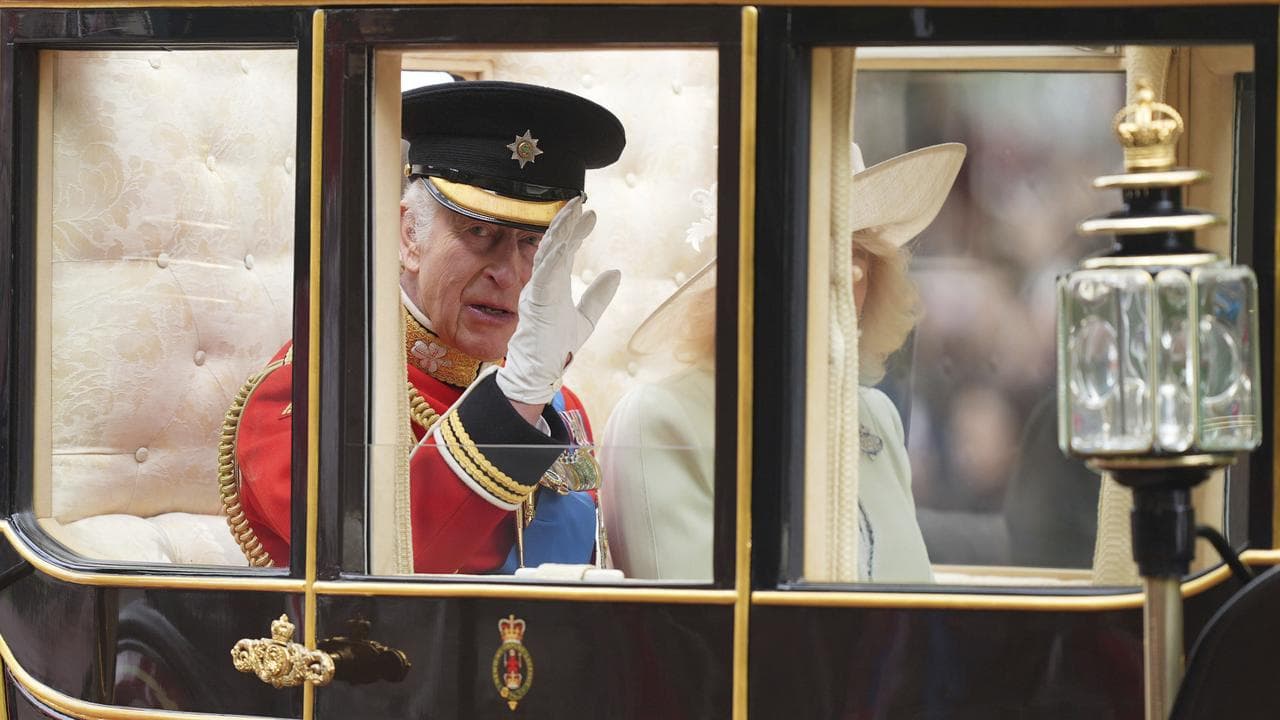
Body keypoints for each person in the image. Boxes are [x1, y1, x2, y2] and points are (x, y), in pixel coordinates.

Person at [227, 81, 626, 573]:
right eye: (480, 231)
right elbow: (381, 566)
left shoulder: (556, 406)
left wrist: (529, 393)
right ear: (409, 236)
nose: (509, 274)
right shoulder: (311, 392)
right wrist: (517, 401)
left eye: (533, 243)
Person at [601, 142, 964, 582]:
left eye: (856, 260)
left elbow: (914, 600)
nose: (841, 284)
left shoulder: (876, 415)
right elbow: (697, 618)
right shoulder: (662, 419)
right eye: (812, 258)